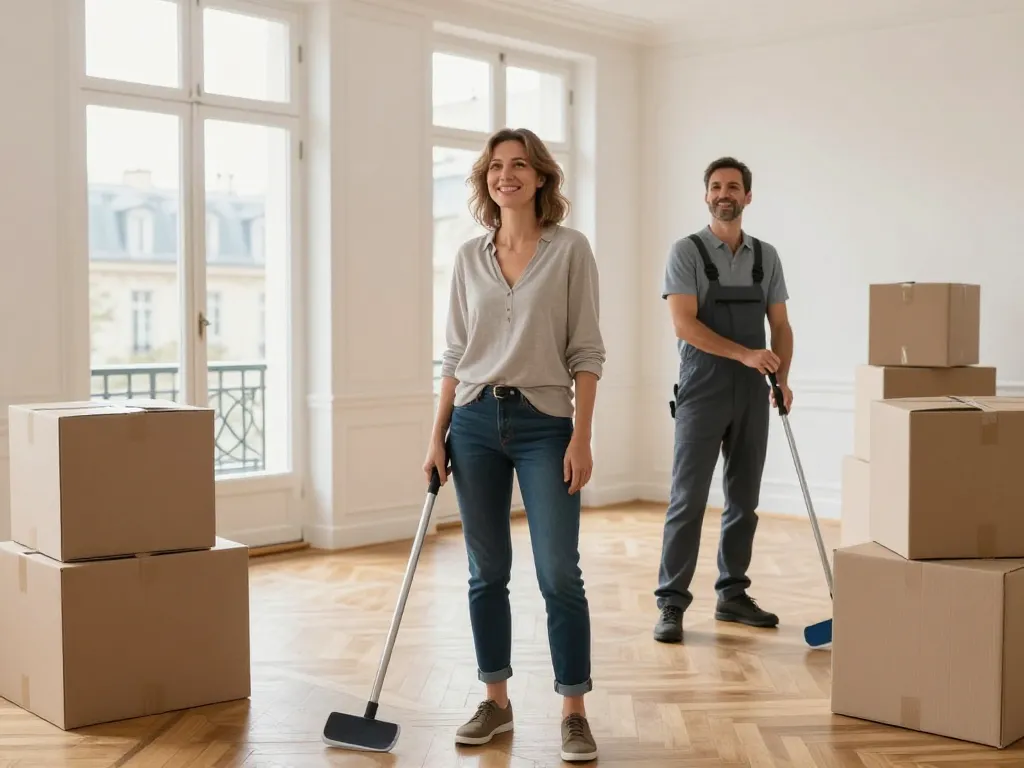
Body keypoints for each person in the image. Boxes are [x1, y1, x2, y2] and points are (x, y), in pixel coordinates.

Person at [423, 127, 605, 762]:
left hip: (545, 423)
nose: (507, 175)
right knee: (485, 572)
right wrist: (436, 434)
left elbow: (586, 350)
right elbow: (452, 352)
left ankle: (574, 709)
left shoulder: (570, 250)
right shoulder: (468, 257)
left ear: (540, 177)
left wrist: (581, 436)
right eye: (496, 166)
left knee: (559, 572)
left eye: (520, 165)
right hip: (472, 422)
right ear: (486, 180)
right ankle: (496, 702)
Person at [654, 156, 793, 644]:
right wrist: (746, 355)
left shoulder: (766, 256)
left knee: (744, 500)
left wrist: (783, 377)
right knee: (688, 498)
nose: (723, 193)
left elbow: (780, 325)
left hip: (753, 391)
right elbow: (685, 325)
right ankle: (671, 602)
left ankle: (732, 594)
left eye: (733, 186)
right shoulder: (687, 252)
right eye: (715, 186)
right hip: (703, 387)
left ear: (748, 196)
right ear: (706, 195)